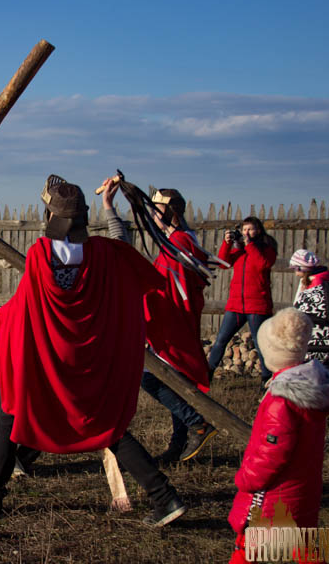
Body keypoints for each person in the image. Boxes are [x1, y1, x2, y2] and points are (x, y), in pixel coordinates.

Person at [0, 175, 186, 526]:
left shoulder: (41, 254)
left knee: (12, 411)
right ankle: (164, 496)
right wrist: (110, 208)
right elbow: (123, 250)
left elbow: (27, 306)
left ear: (51, 216)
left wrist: (0, 317)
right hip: (90, 356)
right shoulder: (104, 254)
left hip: (48, 357)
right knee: (105, 424)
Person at [102, 183, 216, 463]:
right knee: (176, 382)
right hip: (171, 322)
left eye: (157, 210)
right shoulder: (177, 240)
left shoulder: (180, 243)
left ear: (170, 212)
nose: (152, 215)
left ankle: (196, 423)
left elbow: (169, 286)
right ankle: (179, 443)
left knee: (149, 377)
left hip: (173, 325)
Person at [228, 308, 329, 563]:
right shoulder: (310, 390)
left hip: (272, 495)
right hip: (303, 490)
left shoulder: (281, 400)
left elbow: (272, 453)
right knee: (304, 546)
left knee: (247, 549)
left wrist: (247, 479)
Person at [207, 217, 277, 384]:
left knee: (260, 345)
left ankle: (266, 380)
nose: (246, 233)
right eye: (244, 230)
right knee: (221, 340)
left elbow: (262, 265)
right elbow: (223, 264)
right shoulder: (240, 251)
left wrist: (249, 245)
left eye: (250, 229)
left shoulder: (266, 250)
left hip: (257, 306)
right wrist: (227, 244)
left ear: (258, 231)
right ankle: (206, 374)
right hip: (236, 305)